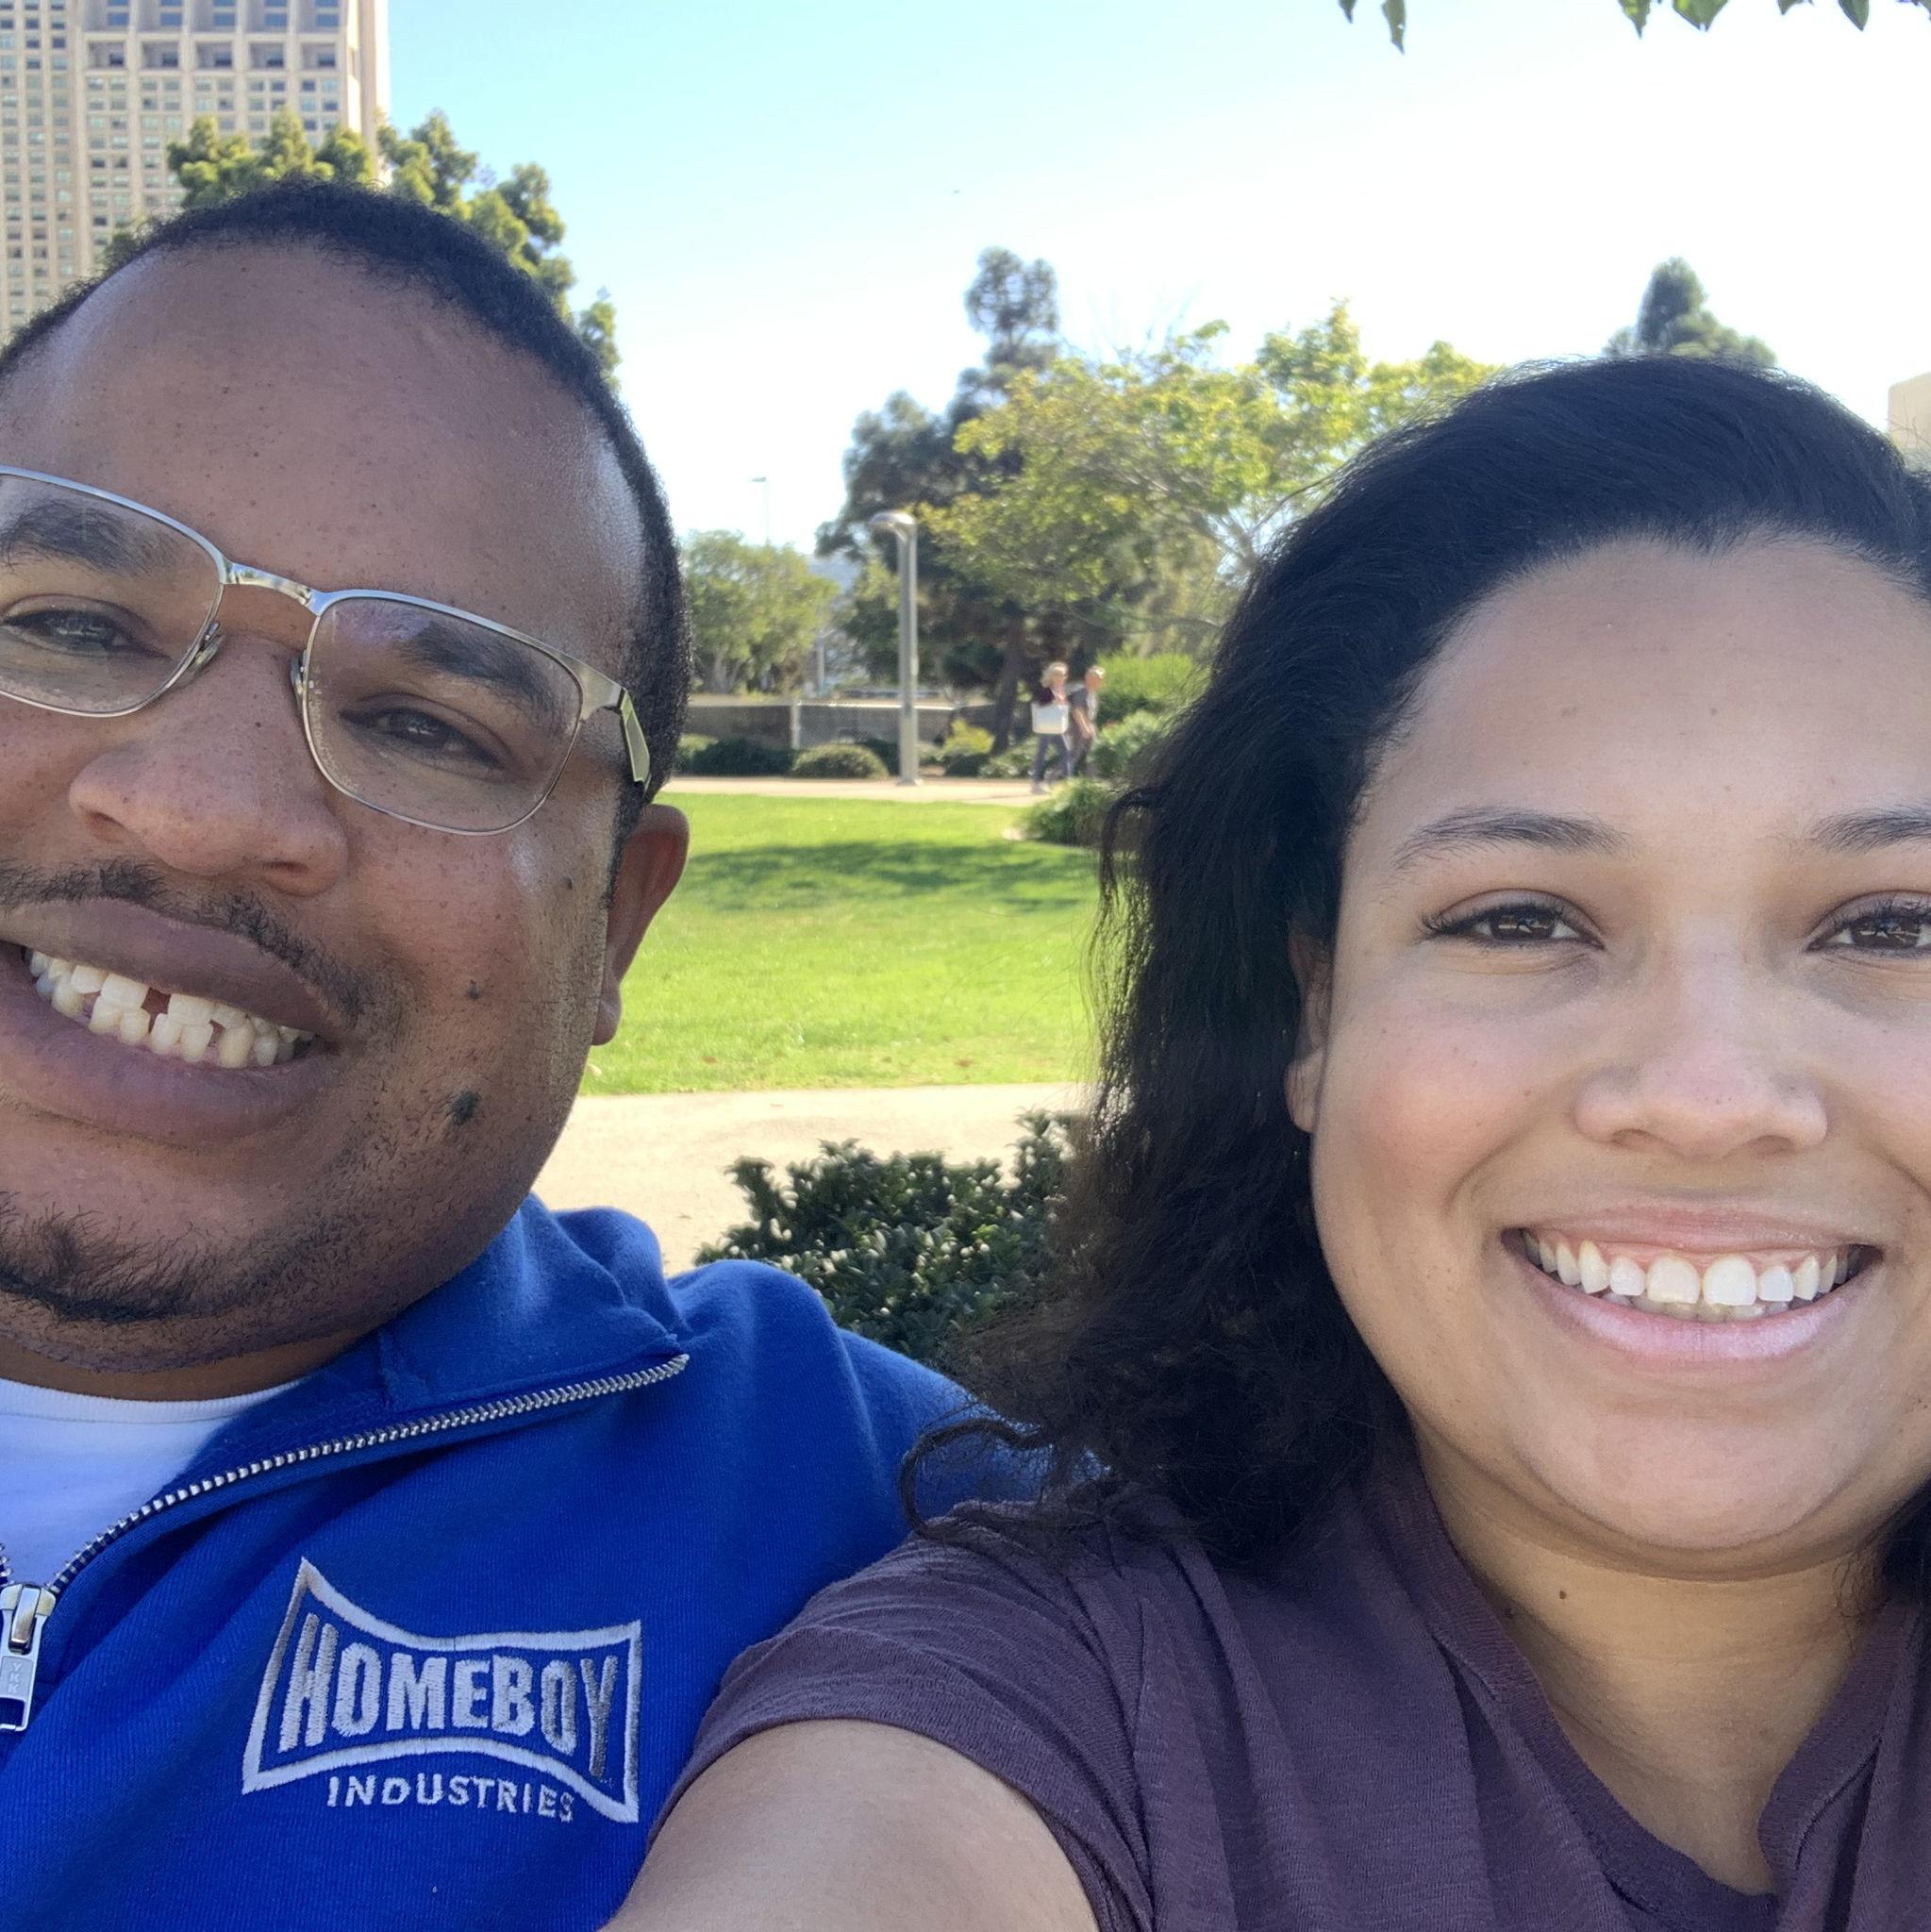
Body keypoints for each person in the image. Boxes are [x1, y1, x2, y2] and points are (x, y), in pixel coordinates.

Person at [626, 358, 1931, 1931]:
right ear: (1315, 1008)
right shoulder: (1043, 1716)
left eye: (1890, 924)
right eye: (1517, 916)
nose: (1709, 1093)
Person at [0, 183, 970, 1930]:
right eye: (72, 624)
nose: (208, 808)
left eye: (429, 723)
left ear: (614, 924)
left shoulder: (898, 1526)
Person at [1029, 660, 1072, 791]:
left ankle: (1067, 783)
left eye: (1062, 675)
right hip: (1046, 727)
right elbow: (1040, 703)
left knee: (1066, 752)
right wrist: (1055, 701)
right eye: (1056, 674)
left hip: (1057, 728)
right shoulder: (1046, 690)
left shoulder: (1062, 691)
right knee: (1041, 754)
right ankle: (1036, 783)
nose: (1060, 677)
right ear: (1051, 676)